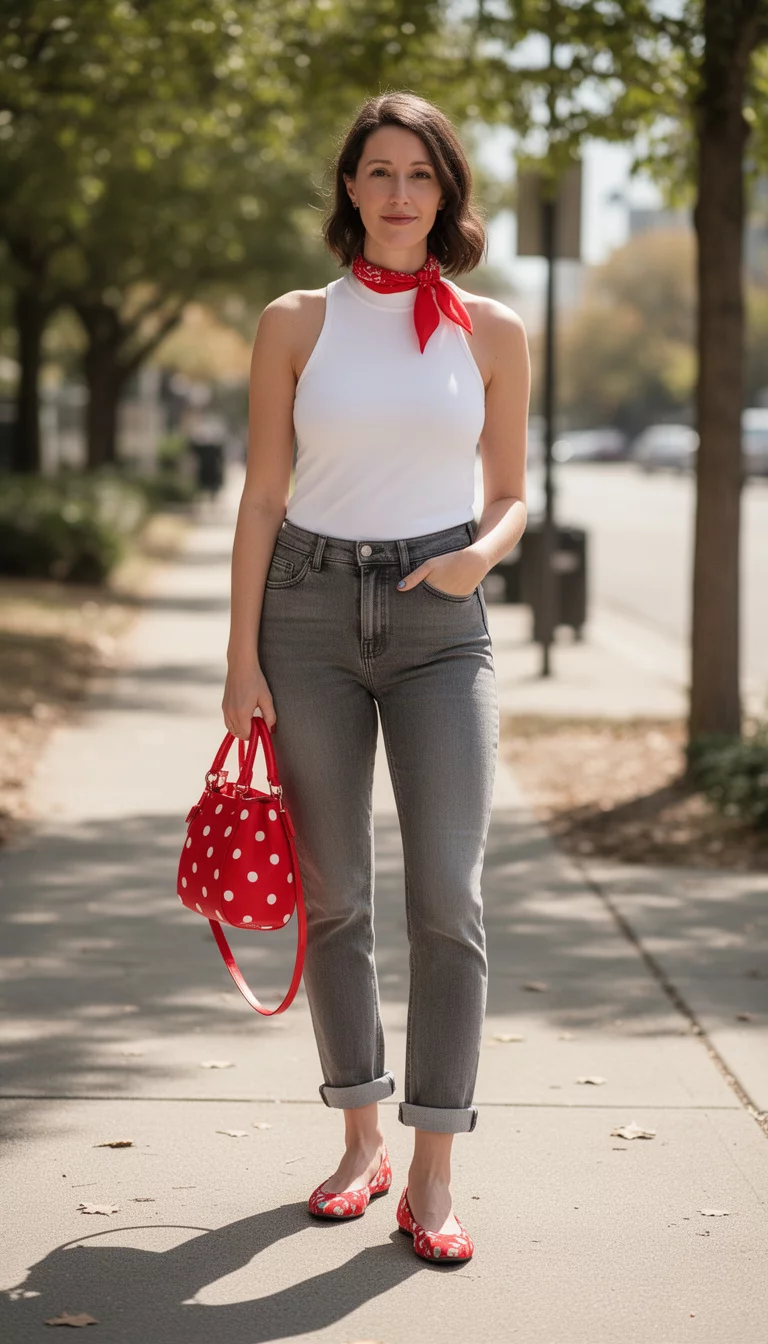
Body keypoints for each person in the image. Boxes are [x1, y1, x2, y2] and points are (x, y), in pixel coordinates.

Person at [222, 90, 530, 1263]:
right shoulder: (295, 323)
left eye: (421, 174)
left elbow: (511, 494)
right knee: (337, 894)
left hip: (441, 620)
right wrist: (239, 657)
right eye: (380, 171)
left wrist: (478, 556)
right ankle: (361, 1143)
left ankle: (434, 1172)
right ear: (350, 187)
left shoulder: (491, 331)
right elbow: (262, 494)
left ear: (446, 192)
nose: (401, 193)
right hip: (304, 613)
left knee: (448, 896)